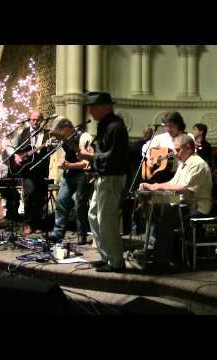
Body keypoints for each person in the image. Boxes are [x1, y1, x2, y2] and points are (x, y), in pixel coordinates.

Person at [138, 134, 213, 263]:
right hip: (183, 202)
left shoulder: (197, 164)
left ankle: (161, 259)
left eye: (178, 150)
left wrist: (156, 186)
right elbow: (173, 182)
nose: (175, 153)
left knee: (165, 214)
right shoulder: (184, 163)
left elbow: (183, 188)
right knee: (151, 204)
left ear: (189, 148)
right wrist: (151, 187)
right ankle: (152, 250)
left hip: (197, 206)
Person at [78, 92, 129, 273]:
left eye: (94, 107)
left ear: (107, 106)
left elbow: (113, 157)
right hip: (104, 176)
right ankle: (106, 256)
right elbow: (102, 152)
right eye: (89, 107)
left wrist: (89, 157)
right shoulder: (104, 125)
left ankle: (116, 262)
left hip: (112, 177)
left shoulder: (115, 126)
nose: (90, 111)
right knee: (94, 216)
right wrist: (92, 165)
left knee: (106, 220)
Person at [49, 118, 94, 245]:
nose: (63, 137)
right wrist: (63, 161)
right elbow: (68, 153)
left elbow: (87, 162)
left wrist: (69, 165)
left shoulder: (84, 137)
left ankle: (82, 234)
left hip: (82, 174)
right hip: (69, 174)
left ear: (69, 129)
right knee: (61, 200)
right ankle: (58, 233)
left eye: (64, 134)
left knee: (80, 204)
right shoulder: (65, 140)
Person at [6, 110, 51, 235]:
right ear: (29, 119)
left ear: (42, 120)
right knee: (29, 196)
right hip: (26, 171)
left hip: (41, 170)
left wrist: (50, 146)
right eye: (33, 119)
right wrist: (15, 156)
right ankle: (28, 224)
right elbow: (9, 146)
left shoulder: (47, 134)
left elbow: (50, 151)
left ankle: (37, 224)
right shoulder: (22, 132)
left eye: (38, 119)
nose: (35, 122)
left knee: (40, 198)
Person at [142, 111, 191, 183]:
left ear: (178, 125)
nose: (168, 129)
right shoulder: (161, 137)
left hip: (180, 176)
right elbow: (145, 147)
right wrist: (149, 159)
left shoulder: (187, 138)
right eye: (166, 126)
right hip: (161, 177)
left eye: (171, 126)